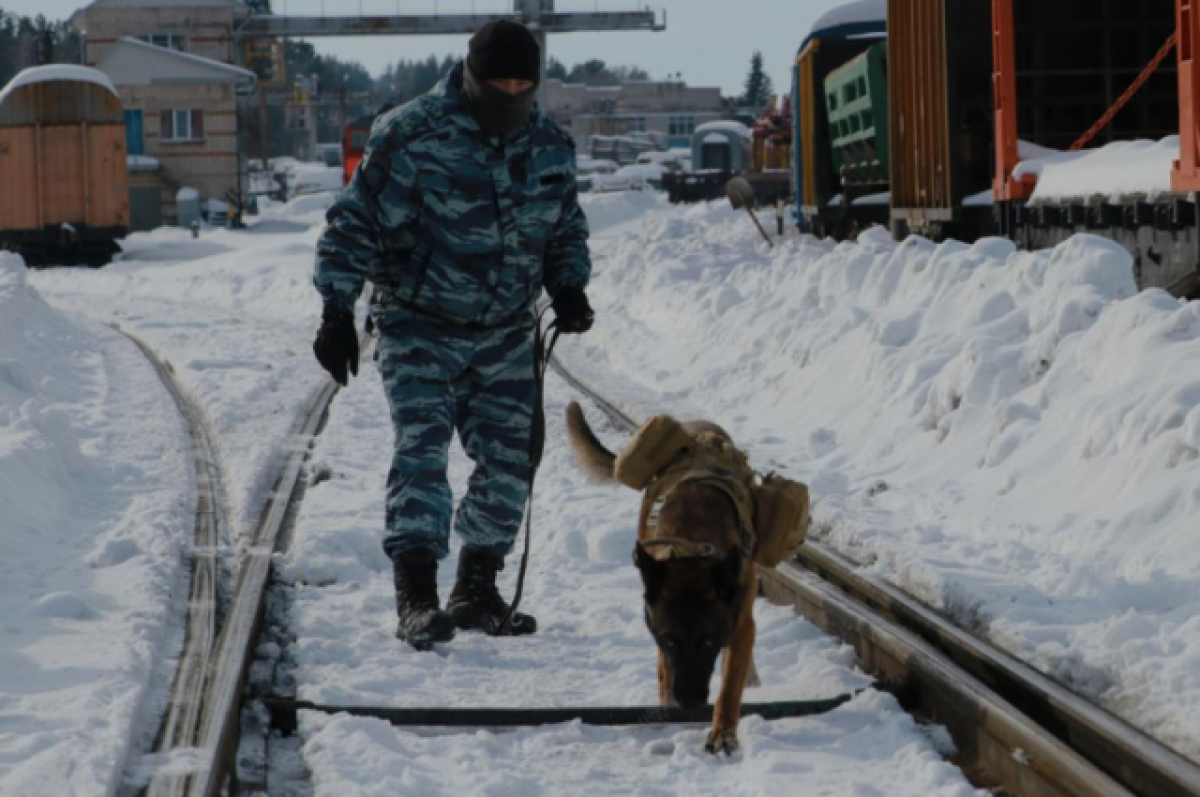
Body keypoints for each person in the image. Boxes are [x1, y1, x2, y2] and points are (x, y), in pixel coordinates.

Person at [311, 20, 594, 650]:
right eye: (499, 83)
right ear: (470, 76)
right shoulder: (412, 135)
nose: (511, 94)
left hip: (505, 331)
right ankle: (417, 597)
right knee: (422, 450)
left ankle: (477, 589)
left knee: (512, 458)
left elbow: (565, 227)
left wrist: (569, 285)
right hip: (418, 323)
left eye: (524, 85)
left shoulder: (549, 145)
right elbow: (353, 224)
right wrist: (336, 309)